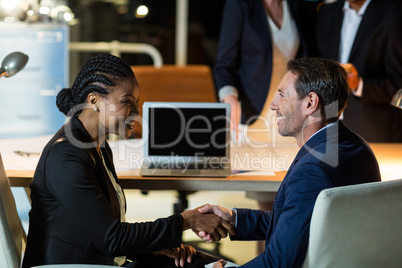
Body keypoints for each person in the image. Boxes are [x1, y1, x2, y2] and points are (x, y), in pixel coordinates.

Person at [22, 54, 234, 268]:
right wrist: (187, 220)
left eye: (137, 102)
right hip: (77, 265)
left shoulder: (97, 145)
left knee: (195, 261)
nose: (136, 112)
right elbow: (113, 238)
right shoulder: (66, 156)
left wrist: (153, 247)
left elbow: (106, 234)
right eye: (127, 102)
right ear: (94, 100)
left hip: (99, 260)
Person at [198, 58, 382, 267]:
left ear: (310, 103)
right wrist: (233, 219)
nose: (273, 105)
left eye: (282, 96)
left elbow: (279, 262)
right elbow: (297, 221)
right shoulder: (357, 147)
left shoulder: (313, 170)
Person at [213, 0, 320, 254]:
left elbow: (313, 58)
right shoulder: (240, 6)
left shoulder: (300, 6)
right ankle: (268, 260)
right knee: (267, 208)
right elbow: (223, 65)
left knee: (293, 200)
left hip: (295, 116)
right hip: (258, 115)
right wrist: (229, 98)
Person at [316, 0, 402, 142]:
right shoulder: (326, 12)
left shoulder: (393, 16)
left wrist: (359, 85)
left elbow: (398, 84)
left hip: (372, 131)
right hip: (328, 127)